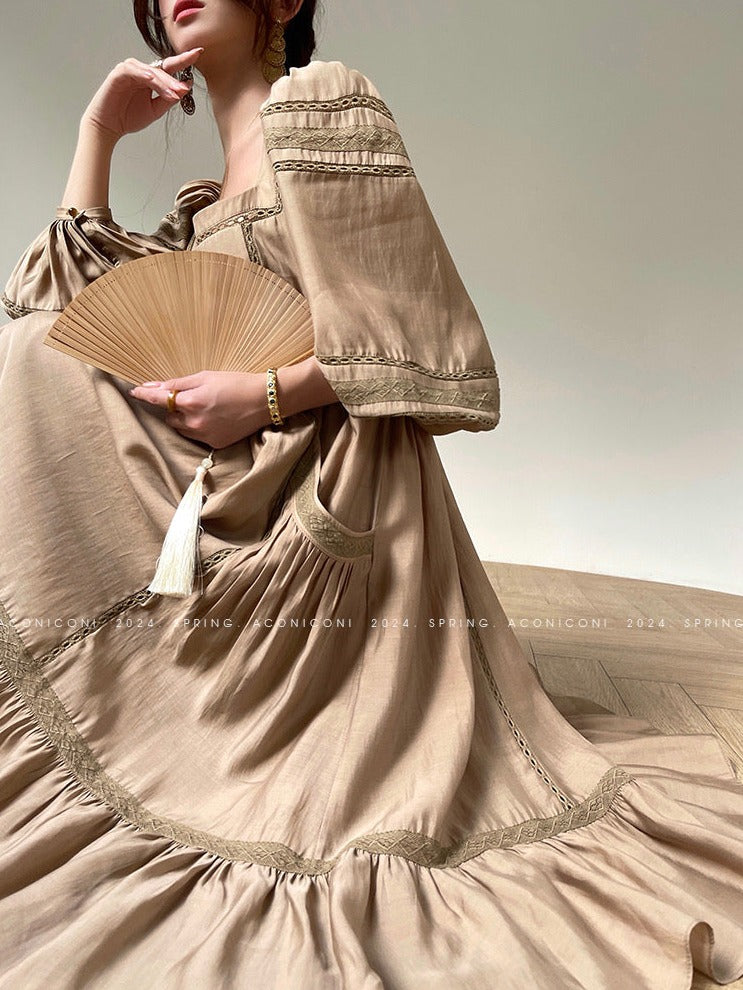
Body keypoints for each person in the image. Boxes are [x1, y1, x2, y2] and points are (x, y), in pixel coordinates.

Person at [0, 1, 741, 987]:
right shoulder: (203, 204)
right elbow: (58, 305)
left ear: (282, 0)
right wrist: (97, 132)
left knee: (31, 363)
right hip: (238, 473)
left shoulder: (322, 107)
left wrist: (261, 394)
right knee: (35, 358)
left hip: (332, 480)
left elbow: (416, 335)